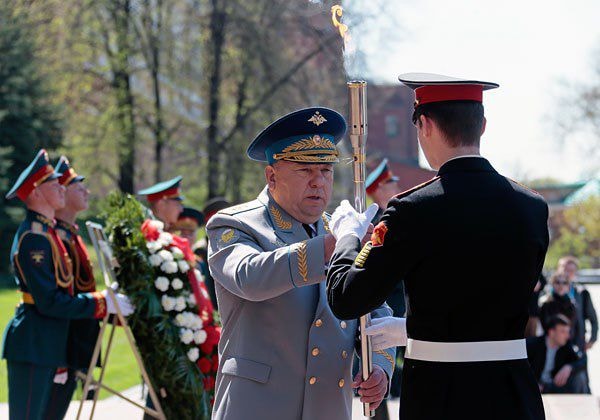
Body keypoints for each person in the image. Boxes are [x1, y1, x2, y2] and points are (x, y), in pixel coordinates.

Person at [326, 73, 549, 420]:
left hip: (441, 398)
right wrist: (413, 328)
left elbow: (347, 298)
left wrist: (347, 239)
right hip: (514, 396)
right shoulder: (532, 206)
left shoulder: (412, 209)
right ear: (483, 126)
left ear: (425, 125)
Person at [206, 107, 395, 420]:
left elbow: (378, 313)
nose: (318, 182)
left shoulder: (339, 229)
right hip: (256, 409)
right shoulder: (234, 225)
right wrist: (332, 247)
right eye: (305, 171)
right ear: (271, 175)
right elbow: (248, 277)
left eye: (326, 171)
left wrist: (382, 368)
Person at [2, 149, 133, 420]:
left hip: (50, 341)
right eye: (52, 184)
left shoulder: (47, 233)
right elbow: (49, 301)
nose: (60, 188)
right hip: (34, 342)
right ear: (36, 194)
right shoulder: (34, 238)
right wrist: (100, 303)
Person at [137, 178, 220, 416]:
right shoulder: (152, 237)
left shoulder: (162, 236)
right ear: (162, 202)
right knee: (166, 401)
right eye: (176, 201)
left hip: (185, 331)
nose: (180, 208)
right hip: (171, 334)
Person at [44, 156, 102, 419]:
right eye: (79, 187)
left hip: (78, 337)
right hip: (64, 341)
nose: (86, 192)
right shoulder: (55, 237)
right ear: (63, 192)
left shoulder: (70, 234)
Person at [365, 159, 406, 412]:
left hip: (399, 301)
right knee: (379, 362)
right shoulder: (380, 222)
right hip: (384, 302)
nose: (396, 186)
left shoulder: (395, 216)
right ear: (379, 188)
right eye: (391, 182)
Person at [558, 255, 597, 393]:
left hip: (578, 341)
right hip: (557, 342)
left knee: (581, 376)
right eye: (564, 269)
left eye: (571, 270)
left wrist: (592, 339)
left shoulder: (582, 292)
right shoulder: (552, 291)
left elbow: (593, 318)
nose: (567, 273)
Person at [527, 315, 587, 393]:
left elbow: (583, 360)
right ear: (551, 332)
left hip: (552, 387)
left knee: (579, 377)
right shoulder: (533, 345)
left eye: (567, 332)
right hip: (533, 387)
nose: (567, 336)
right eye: (563, 331)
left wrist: (569, 367)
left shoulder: (566, 346)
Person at [539, 272, 578, 338]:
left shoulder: (572, 305)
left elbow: (574, 328)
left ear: (568, 286)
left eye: (564, 283)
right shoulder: (546, 305)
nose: (561, 285)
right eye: (557, 282)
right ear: (552, 284)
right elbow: (545, 328)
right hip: (551, 341)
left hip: (567, 342)